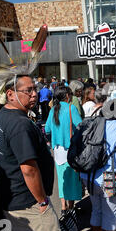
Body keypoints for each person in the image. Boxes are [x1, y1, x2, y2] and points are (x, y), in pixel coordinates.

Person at [0, 75, 62, 231]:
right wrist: (42, 201)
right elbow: (29, 170)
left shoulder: (4, 114)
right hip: (28, 205)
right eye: (28, 90)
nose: (34, 94)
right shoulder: (19, 124)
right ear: (10, 94)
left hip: (11, 201)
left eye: (35, 89)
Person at [45, 86, 83, 215]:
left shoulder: (53, 110)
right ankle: (71, 206)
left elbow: (47, 129)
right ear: (67, 96)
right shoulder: (71, 108)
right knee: (72, 178)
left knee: (61, 178)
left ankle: (63, 206)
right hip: (71, 148)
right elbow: (80, 126)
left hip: (57, 149)